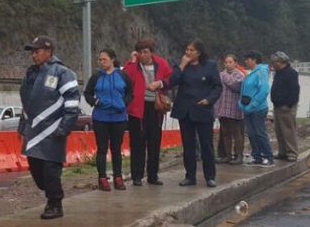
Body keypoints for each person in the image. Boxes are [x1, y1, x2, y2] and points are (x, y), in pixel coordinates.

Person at [19, 36, 80, 219]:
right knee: (37, 171)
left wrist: (63, 128)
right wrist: (23, 126)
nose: (33, 55)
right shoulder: (31, 73)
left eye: (37, 51)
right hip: (34, 132)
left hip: (53, 131)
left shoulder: (63, 73)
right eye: (32, 52)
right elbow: (26, 103)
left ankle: (55, 203)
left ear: (49, 52)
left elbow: (72, 103)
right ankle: (50, 193)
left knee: (50, 171)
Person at [156, 40, 222, 187]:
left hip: (203, 109)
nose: (188, 53)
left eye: (191, 50)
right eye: (187, 50)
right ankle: (190, 176)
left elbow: (217, 87)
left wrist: (209, 100)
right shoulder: (181, 66)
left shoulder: (210, 66)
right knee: (188, 144)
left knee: (206, 144)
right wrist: (182, 65)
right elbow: (172, 82)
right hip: (185, 109)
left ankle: (210, 176)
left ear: (198, 52)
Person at [123, 39, 173, 186]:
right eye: (140, 52)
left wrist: (160, 83)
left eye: (145, 52)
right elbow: (125, 79)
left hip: (155, 107)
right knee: (137, 143)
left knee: (154, 142)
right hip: (137, 108)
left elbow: (171, 79)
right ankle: (137, 176)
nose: (142, 55)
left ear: (151, 52)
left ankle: (153, 175)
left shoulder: (161, 63)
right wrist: (132, 62)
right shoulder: (133, 65)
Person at [83, 49, 133, 191]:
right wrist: (95, 101)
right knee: (102, 148)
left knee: (116, 148)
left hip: (119, 117)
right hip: (101, 117)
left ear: (112, 60)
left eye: (104, 59)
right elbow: (87, 93)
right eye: (100, 60)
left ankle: (118, 177)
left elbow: (130, 92)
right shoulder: (96, 77)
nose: (101, 62)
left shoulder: (122, 76)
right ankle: (102, 178)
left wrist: (124, 103)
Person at [239, 52, 273, 166]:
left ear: (254, 60)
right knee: (251, 133)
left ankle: (268, 156)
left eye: (248, 59)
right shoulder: (251, 73)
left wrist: (253, 104)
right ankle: (256, 156)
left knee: (260, 132)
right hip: (247, 109)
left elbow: (264, 90)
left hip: (258, 109)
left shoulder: (261, 71)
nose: (246, 61)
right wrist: (241, 104)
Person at [215, 54, 246, 165]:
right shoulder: (220, 74)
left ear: (236, 63)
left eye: (230, 62)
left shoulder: (240, 75)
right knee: (225, 133)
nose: (228, 64)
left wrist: (223, 76)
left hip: (235, 108)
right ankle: (227, 155)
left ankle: (239, 156)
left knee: (237, 133)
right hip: (223, 108)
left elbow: (234, 85)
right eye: (226, 62)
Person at [270, 51, 300, 162]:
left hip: (286, 107)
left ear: (281, 62)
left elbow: (294, 91)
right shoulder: (278, 73)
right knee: (279, 130)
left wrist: (288, 104)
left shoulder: (291, 73)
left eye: (274, 62)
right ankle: (282, 151)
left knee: (288, 131)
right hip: (277, 106)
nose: (273, 64)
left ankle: (292, 153)